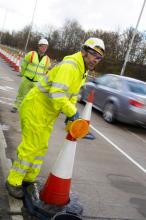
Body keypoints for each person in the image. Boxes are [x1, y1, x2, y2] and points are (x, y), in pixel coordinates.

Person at [6, 37, 105, 199]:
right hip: (36, 107)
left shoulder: (82, 71)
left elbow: (72, 95)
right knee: (31, 146)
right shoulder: (70, 66)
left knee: (41, 147)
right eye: (93, 54)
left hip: (47, 112)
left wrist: (71, 113)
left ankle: (29, 178)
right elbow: (56, 93)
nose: (96, 59)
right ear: (83, 51)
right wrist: (71, 112)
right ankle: (13, 181)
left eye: (99, 57)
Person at [11, 38, 51, 113]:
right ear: (39, 46)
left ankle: (27, 109)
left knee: (32, 97)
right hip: (27, 78)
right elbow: (24, 64)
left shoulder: (47, 59)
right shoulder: (31, 54)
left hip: (37, 81)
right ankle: (16, 106)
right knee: (21, 93)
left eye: (46, 47)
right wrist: (22, 74)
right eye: (42, 46)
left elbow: (45, 71)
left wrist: (42, 81)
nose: (44, 48)